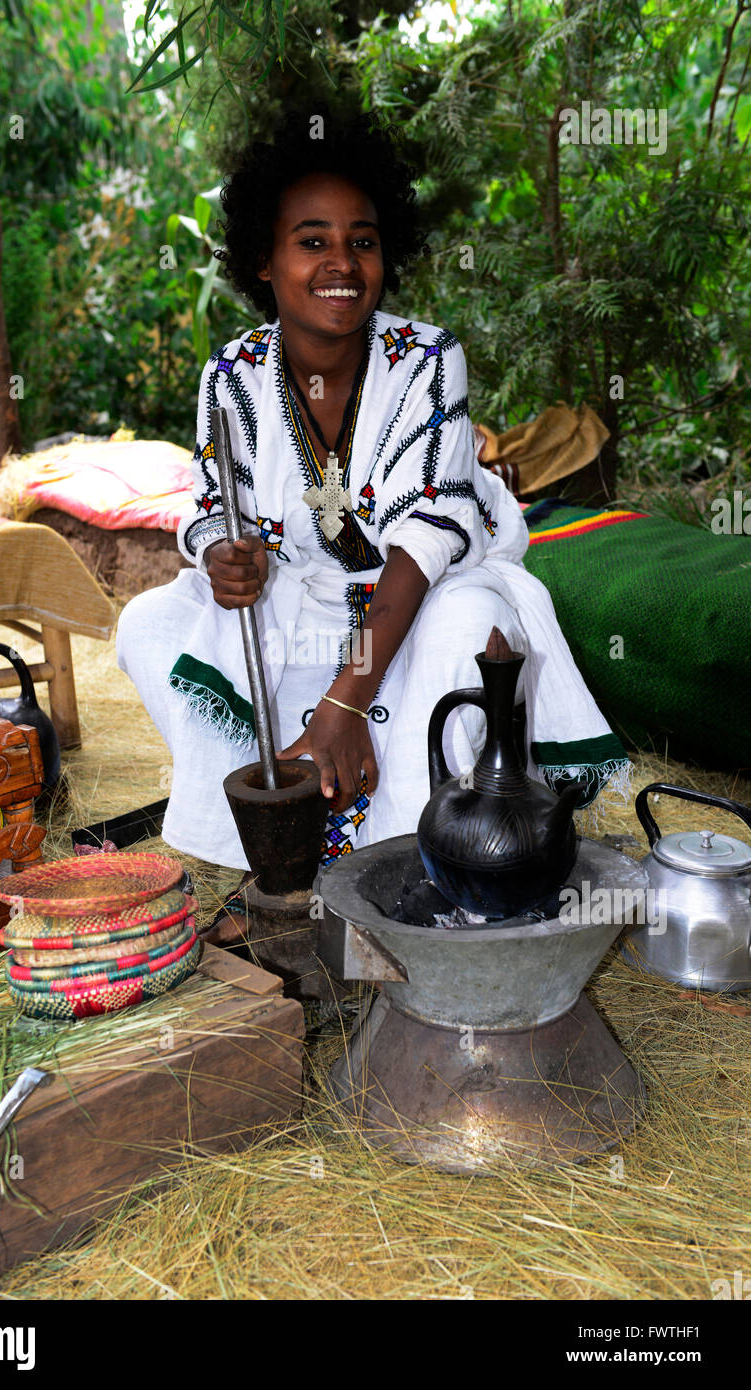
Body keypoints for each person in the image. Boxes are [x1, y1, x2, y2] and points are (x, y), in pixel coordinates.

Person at [117, 108, 629, 937]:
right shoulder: (231, 376)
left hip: (420, 589)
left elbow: (426, 540)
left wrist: (345, 706)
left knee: (472, 626)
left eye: (362, 240)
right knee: (147, 624)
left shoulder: (429, 360)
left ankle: (418, 873)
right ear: (263, 258)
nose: (341, 264)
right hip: (301, 597)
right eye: (311, 241)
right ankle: (282, 848)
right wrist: (222, 557)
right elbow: (217, 509)